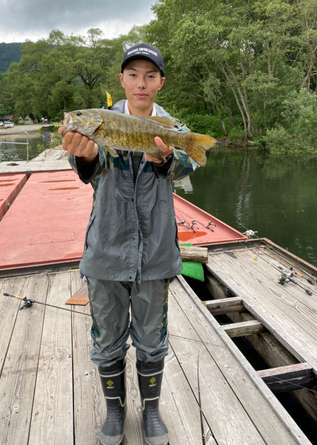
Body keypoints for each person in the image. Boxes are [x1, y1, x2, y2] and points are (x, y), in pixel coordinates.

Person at [60, 43, 199, 445]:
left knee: (152, 338)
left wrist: (169, 160)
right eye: (133, 74)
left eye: (150, 75)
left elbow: (188, 163)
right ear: (122, 79)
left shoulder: (173, 127)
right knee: (107, 339)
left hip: (156, 254)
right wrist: (84, 157)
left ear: (160, 82)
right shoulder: (101, 123)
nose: (142, 82)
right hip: (106, 252)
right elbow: (92, 165)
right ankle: (114, 411)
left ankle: (151, 410)